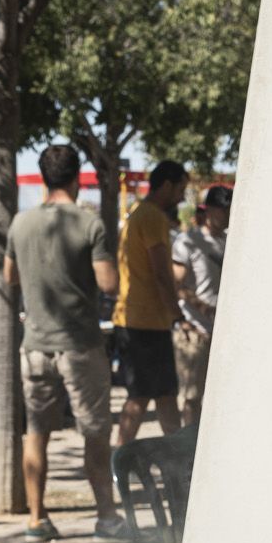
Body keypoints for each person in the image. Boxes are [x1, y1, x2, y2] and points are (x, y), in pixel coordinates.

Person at [3, 145, 125, 541]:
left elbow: (9, 278)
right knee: (94, 431)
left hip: (35, 345)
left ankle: (37, 519)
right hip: (80, 344)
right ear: (76, 177)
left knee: (37, 432)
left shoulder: (20, 224)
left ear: (43, 177)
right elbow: (110, 284)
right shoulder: (89, 224)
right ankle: (106, 516)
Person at [113, 159, 188, 447]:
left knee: (166, 395)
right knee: (141, 398)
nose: (182, 197)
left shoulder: (137, 213)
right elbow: (161, 272)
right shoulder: (153, 217)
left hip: (140, 320)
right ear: (167, 185)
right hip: (143, 322)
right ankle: (121, 460)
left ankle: (181, 462)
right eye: (180, 188)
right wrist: (177, 313)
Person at [171, 183, 231, 425]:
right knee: (192, 398)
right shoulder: (189, 241)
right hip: (196, 331)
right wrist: (199, 311)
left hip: (225, 334)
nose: (227, 215)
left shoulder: (232, 241)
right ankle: (190, 455)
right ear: (209, 210)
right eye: (223, 209)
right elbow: (176, 285)